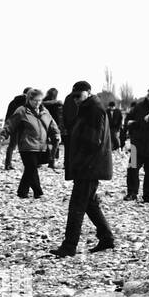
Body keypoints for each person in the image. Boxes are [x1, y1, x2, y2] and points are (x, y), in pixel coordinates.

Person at [55, 80, 114, 257]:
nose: (76, 100)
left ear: (88, 92)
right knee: (90, 204)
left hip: (89, 166)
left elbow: (92, 141)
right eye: (74, 97)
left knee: (77, 206)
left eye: (78, 96)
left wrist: (78, 154)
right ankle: (106, 238)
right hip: (88, 165)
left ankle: (69, 246)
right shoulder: (89, 108)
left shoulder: (94, 110)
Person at [7, 87, 57, 199]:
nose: (38, 103)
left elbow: (52, 124)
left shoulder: (45, 111)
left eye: (40, 100)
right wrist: (3, 134)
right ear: (29, 99)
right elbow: (11, 123)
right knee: (32, 168)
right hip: (26, 145)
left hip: (40, 146)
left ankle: (26, 192)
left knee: (31, 169)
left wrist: (56, 135)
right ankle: (36, 192)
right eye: (35, 100)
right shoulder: (22, 110)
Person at [3, 89, 30, 170]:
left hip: (13, 126)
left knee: (12, 145)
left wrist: (7, 127)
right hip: (23, 126)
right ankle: (28, 164)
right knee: (26, 146)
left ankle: (7, 164)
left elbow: (8, 115)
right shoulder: (27, 103)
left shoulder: (13, 102)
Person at [43, 88, 63, 168]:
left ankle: (47, 159)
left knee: (45, 142)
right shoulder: (57, 103)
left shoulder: (43, 103)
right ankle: (52, 160)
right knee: (56, 142)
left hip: (45, 124)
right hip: (54, 125)